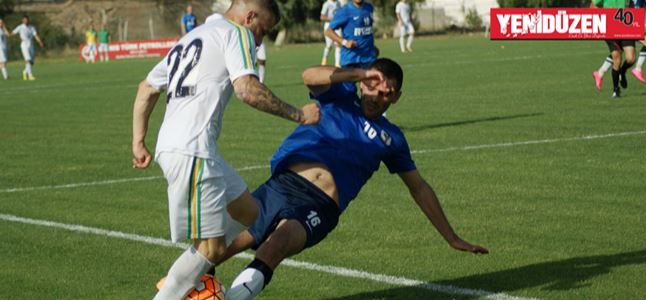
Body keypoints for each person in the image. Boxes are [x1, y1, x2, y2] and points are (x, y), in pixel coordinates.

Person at [219, 58, 489, 300]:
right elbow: (309, 75)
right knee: (223, 245)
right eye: (373, 87)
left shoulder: (392, 138)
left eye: (387, 93)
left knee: (274, 247)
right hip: (284, 184)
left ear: (396, 98)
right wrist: (358, 74)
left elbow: (419, 188)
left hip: (320, 206)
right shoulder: (339, 96)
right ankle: (182, 290)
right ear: (364, 84)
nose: (377, 97)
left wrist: (451, 238)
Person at [131, 1, 320, 299]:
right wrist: (300, 115)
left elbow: (146, 89)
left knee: (249, 212)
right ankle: (174, 287)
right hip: (193, 150)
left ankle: (189, 270)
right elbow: (247, 89)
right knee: (212, 249)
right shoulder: (238, 32)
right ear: (250, 17)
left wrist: (138, 141)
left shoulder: (195, 35)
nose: (259, 41)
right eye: (262, 31)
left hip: (184, 146)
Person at [591, 0, 636, 98]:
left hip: (626, 24)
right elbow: (594, 4)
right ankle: (616, 90)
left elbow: (633, 5)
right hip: (609, 25)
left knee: (631, 58)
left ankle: (622, 72)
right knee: (617, 57)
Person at [325, 0, 377, 69]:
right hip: (350, 59)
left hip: (369, 58)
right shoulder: (344, 11)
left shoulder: (369, 8)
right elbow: (328, 31)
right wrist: (345, 42)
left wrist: (372, 47)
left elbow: (366, 31)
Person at [10, 15, 44, 81]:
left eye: (27, 19)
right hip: (24, 44)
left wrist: (40, 42)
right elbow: (12, 33)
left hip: (30, 44)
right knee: (27, 59)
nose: (26, 21)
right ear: (22, 20)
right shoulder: (20, 27)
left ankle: (25, 72)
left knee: (32, 61)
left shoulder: (32, 27)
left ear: (28, 20)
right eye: (24, 20)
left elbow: (35, 35)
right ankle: (30, 76)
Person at [631, 0, 646, 84]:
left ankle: (600, 73)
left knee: (620, 52)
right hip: (632, 24)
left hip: (632, 23)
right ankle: (637, 69)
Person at [320, 0, 342, 67]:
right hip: (329, 26)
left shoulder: (338, 3)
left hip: (337, 26)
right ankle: (324, 60)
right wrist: (332, 18)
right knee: (329, 45)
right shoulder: (326, 4)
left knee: (338, 44)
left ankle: (337, 64)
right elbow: (322, 17)